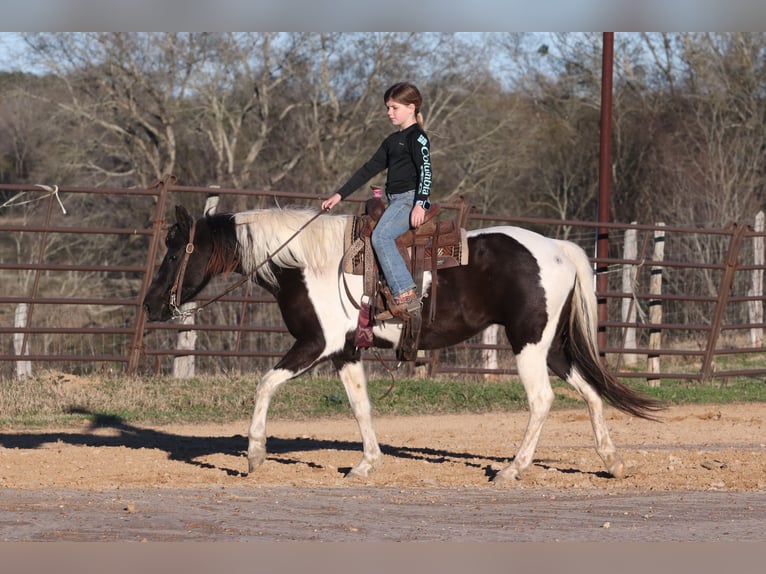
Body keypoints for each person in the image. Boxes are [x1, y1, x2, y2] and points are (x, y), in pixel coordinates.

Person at [322, 82, 432, 320]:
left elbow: (426, 171)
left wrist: (420, 202)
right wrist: (339, 195)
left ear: (411, 107)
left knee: (381, 236)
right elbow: (368, 169)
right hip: (394, 201)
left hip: (407, 200)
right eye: (387, 108)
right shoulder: (392, 141)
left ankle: (406, 296)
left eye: (394, 107)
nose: (389, 113)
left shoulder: (418, 138)